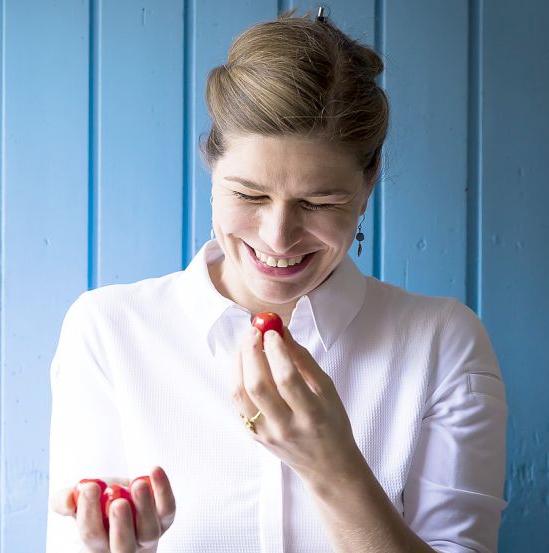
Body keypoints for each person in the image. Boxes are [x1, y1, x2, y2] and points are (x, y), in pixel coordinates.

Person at [46, 9, 507, 553]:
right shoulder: (107, 329)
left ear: (369, 182)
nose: (279, 237)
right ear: (211, 165)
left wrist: (333, 467)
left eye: (320, 202)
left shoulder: (442, 343)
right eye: (250, 195)